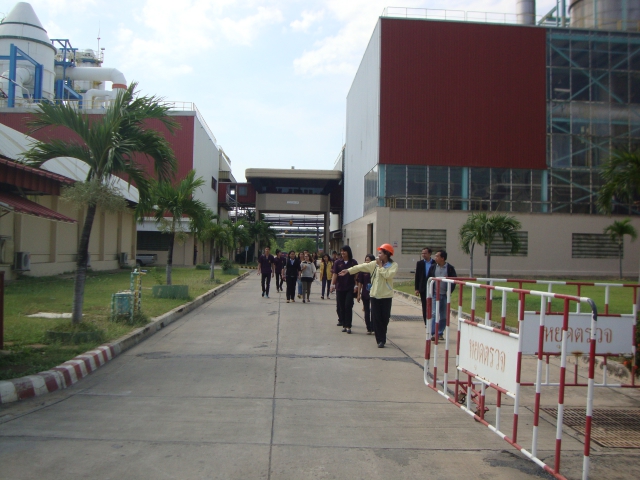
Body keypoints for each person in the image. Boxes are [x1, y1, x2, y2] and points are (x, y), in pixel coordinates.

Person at [340, 244, 397, 347]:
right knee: (376, 318)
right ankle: (380, 340)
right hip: (374, 295)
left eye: (380, 253)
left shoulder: (393, 265)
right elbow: (361, 266)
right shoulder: (374, 264)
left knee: (385, 318)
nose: (378, 255)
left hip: (386, 296)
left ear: (387, 254)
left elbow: (388, 275)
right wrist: (348, 270)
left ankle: (382, 335)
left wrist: (380, 266)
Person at [427, 250, 457, 341]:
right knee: (434, 314)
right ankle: (433, 333)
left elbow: (454, 281)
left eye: (437, 256)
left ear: (442, 258)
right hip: (435, 294)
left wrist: (449, 291)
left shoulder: (450, 268)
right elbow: (428, 278)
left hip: (444, 295)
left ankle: (440, 333)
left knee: (443, 316)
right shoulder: (433, 267)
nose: (435, 258)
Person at [330, 245, 358, 334]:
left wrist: (356, 285)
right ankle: (344, 325)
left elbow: (356, 275)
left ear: (348, 252)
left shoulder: (353, 262)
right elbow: (335, 274)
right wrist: (332, 284)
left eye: (344, 251)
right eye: (341, 251)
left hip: (350, 287)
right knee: (341, 307)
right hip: (340, 287)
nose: (342, 253)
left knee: (348, 306)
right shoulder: (337, 262)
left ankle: (348, 326)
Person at [356, 254, 375, 335]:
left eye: (368, 260)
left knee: (374, 311)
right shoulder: (362, 270)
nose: (367, 262)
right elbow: (360, 283)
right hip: (365, 293)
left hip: (374, 293)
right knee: (367, 311)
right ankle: (368, 328)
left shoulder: (375, 270)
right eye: (366, 260)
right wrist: (358, 294)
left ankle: (373, 327)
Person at [414, 247, 434, 325]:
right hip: (423, 288)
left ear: (430, 254)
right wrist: (417, 288)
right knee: (425, 306)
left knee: (433, 306)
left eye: (425, 253)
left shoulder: (434, 263)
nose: (423, 255)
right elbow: (417, 276)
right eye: (422, 253)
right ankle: (426, 323)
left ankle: (432, 322)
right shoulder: (420, 263)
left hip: (432, 287)